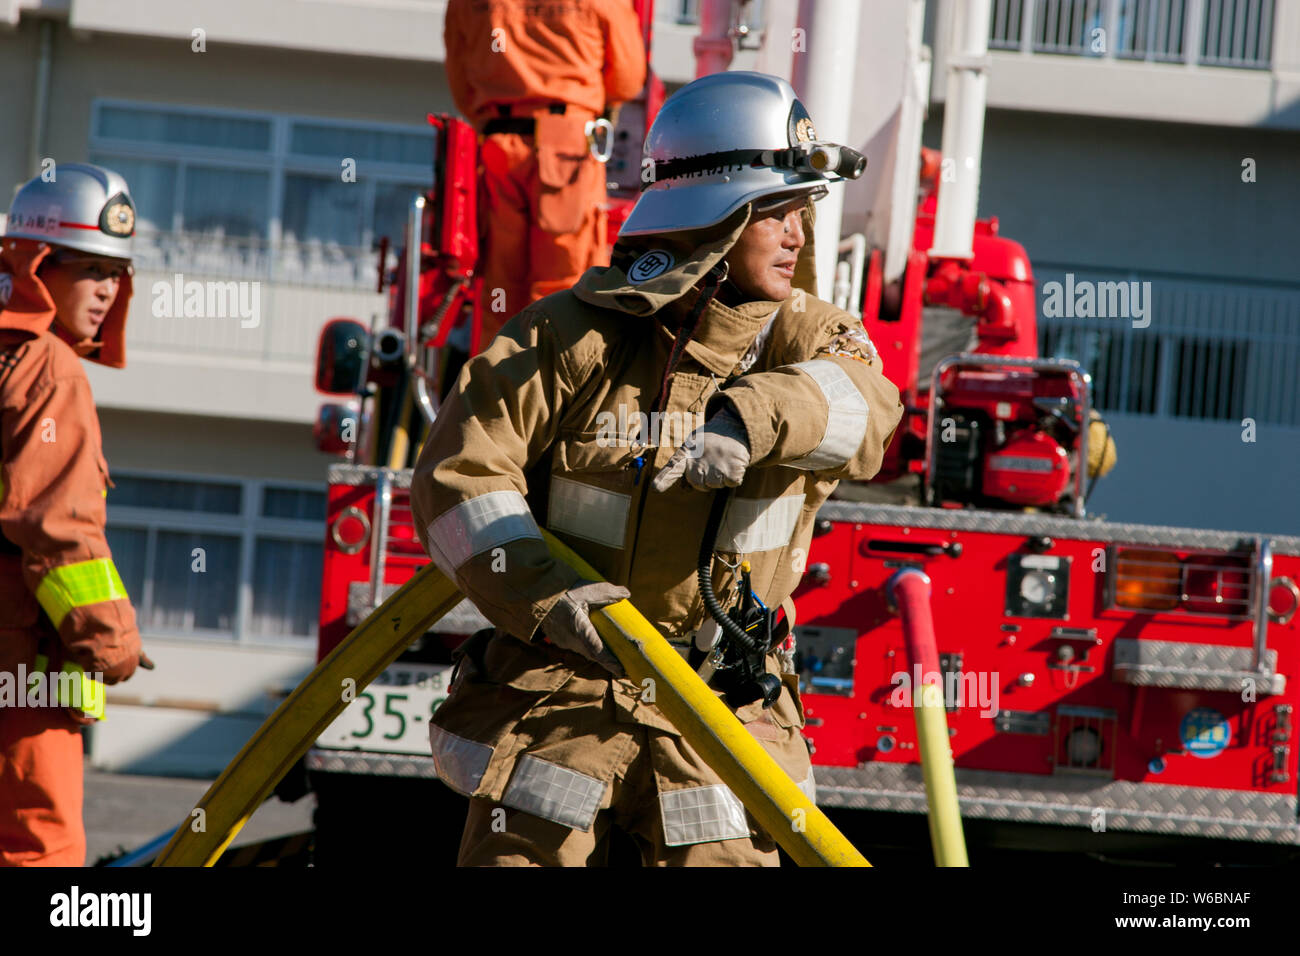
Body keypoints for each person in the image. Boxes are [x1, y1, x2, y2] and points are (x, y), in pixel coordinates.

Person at [411, 71, 904, 866]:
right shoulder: (572, 336)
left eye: (802, 212)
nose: (798, 236)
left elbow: (869, 409)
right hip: (559, 700)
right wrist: (553, 597)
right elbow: (457, 479)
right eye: (779, 210)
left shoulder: (812, 336)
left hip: (722, 710)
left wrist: (752, 414)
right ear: (718, 209)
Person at [0, 163, 144, 866]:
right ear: (38, 264)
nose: (108, 290)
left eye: (117, 272)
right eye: (92, 270)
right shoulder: (49, 367)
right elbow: (55, 532)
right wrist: (109, 639)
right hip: (21, 669)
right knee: (37, 849)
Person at [443, 0, 646, 345]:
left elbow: (461, 84)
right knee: (565, 287)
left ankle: (495, 388)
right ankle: (552, 390)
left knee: (498, 292)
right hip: (567, 148)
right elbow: (626, 80)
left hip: (496, 149)